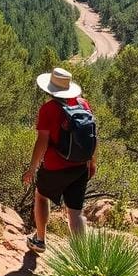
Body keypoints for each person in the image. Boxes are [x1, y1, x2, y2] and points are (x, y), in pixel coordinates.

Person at [21, 67, 95, 253]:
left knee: (41, 195)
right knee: (75, 211)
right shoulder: (83, 104)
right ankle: (82, 255)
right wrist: (92, 161)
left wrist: (32, 168)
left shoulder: (48, 109)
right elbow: (93, 135)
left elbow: (42, 141)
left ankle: (40, 240)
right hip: (80, 166)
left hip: (55, 165)